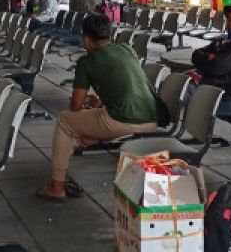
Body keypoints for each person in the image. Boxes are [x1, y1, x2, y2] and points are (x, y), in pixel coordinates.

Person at [36, 13, 158, 202]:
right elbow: (125, 87)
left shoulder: (86, 62)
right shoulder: (127, 49)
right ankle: (93, 138)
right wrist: (99, 101)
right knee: (95, 115)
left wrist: (85, 102)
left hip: (123, 122)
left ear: (87, 40)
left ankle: (57, 186)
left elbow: (75, 107)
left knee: (65, 121)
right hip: (152, 120)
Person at [189, 5, 231, 96]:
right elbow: (195, 55)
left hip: (218, 91)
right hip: (207, 83)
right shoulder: (222, 41)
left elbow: (215, 68)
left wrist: (207, 60)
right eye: (229, 19)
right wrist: (207, 57)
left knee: (180, 92)